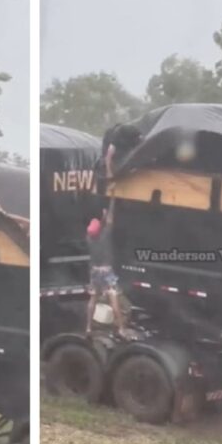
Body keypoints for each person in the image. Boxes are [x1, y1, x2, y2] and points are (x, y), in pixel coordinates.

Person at [85, 143, 130, 338]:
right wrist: (113, 199)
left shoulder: (90, 239)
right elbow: (109, 216)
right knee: (114, 300)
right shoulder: (105, 234)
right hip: (107, 272)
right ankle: (120, 328)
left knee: (93, 300)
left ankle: (88, 326)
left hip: (95, 272)